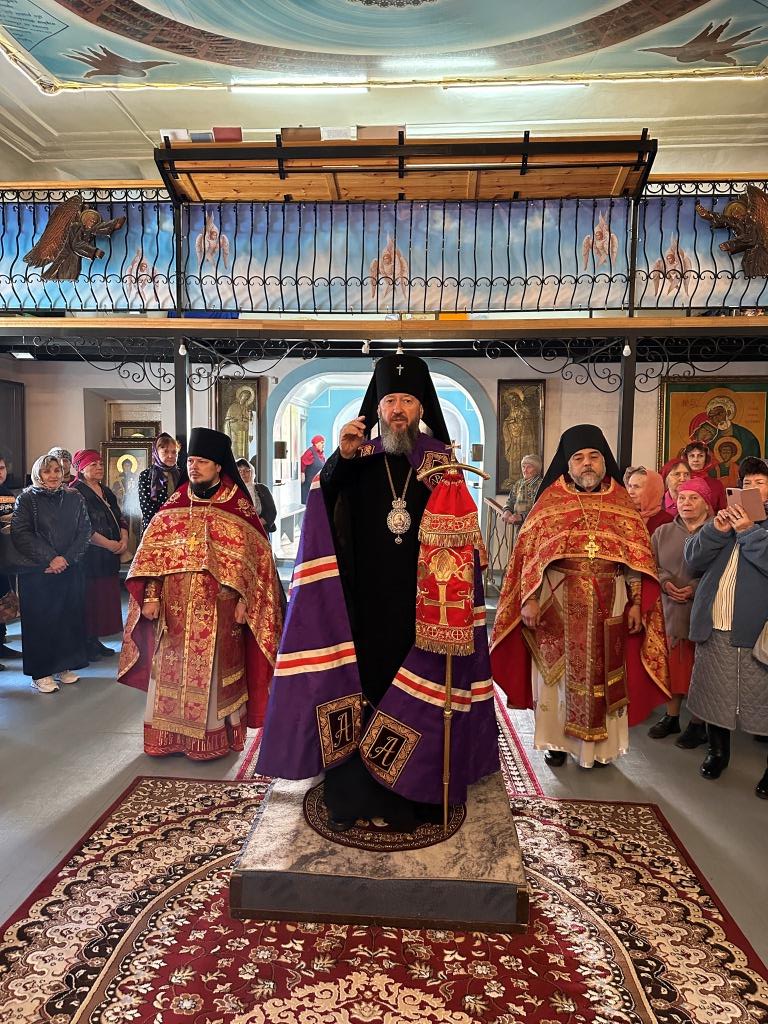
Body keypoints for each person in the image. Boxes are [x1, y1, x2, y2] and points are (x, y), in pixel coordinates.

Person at [257, 354, 499, 831]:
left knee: (419, 694)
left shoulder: (441, 463)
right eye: (390, 401)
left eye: (407, 400)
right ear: (377, 407)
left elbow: (462, 531)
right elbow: (324, 503)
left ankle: (414, 794)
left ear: (421, 407)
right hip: (358, 603)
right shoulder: (357, 456)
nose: (398, 410)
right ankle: (352, 796)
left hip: (421, 608)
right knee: (360, 690)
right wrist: (339, 460)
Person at [490, 424, 670, 769]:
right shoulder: (550, 502)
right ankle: (556, 744)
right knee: (555, 676)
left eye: (594, 456)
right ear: (567, 463)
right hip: (557, 599)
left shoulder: (621, 503)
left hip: (611, 601)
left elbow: (636, 561)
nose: (587, 463)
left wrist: (636, 602)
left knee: (606, 673)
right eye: (578, 457)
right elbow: (529, 558)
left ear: (604, 461)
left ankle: (601, 750)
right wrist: (528, 599)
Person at [118, 427, 283, 760]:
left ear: (218, 465)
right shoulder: (176, 503)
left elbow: (257, 561)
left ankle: (210, 741)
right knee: (170, 670)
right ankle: (167, 739)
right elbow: (154, 557)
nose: (193, 467)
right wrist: (151, 596)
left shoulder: (238, 506)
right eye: (190, 461)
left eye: (202, 462)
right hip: (174, 608)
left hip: (220, 609)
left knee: (212, 673)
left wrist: (246, 601)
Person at [683, 456, 768, 798]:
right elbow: (692, 561)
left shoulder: (755, 526)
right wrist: (715, 530)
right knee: (714, 692)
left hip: (757, 632)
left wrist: (748, 530)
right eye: (747, 484)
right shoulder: (725, 520)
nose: (752, 489)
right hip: (715, 624)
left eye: (760, 483)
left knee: (763, 698)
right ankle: (717, 752)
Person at [10, 454, 91, 693]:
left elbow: (85, 530)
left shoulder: (74, 496)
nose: (53, 475)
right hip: (38, 571)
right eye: (47, 471)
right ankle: (41, 672)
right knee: (41, 623)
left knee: (67, 619)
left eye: (56, 470)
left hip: (69, 568)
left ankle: (63, 665)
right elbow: (21, 533)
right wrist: (51, 558)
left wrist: (66, 559)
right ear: (38, 474)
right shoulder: (26, 499)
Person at [647, 478, 712, 747]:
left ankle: (698, 724)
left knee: (701, 670)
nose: (686, 503)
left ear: (706, 503)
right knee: (673, 667)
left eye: (694, 498)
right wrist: (665, 582)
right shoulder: (662, 532)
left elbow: (722, 571)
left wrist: (694, 587)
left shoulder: (718, 531)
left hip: (704, 611)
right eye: (682, 498)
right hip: (670, 609)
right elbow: (650, 563)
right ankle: (672, 716)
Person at [70, 449, 128, 661]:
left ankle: (95, 639)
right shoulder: (75, 492)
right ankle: (85, 642)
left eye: (101, 464)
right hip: (89, 557)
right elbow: (82, 527)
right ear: (81, 468)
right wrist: (109, 544)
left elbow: (120, 516)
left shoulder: (106, 491)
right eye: (93, 464)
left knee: (103, 600)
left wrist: (124, 539)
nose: (99, 468)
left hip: (108, 557)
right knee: (89, 600)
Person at [138, 432, 180, 532]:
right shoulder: (146, 475)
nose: (170, 456)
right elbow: (146, 507)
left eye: (174, 452)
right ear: (156, 453)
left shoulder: (181, 474)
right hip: (154, 527)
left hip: (179, 526)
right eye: (165, 452)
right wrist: (165, 523)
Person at [0, 455, 19, 663]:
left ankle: (1, 643)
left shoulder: (6, 493)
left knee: (4, 599)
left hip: (4, 556)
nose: (0, 472)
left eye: (2, 468)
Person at [623, 465, 673, 535]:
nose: (630, 491)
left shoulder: (666, 521)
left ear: (651, 491)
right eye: (630, 486)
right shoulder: (623, 514)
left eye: (636, 487)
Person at [502, 454, 543, 537]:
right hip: (519, 527)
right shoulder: (519, 483)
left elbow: (541, 508)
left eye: (529, 467)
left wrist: (522, 517)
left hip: (535, 528)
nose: (525, 470)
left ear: (536, 469)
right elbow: (510, 500)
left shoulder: (541, 485)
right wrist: (507, 511)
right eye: (523, 467)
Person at [235, 459, 277, 535]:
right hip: (239, 533)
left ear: (252, 472)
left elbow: (271, 511)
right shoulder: (233, 491)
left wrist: (256, 524)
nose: (243, 473)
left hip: (260, 531)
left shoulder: (262, 489)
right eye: (239, 471)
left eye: (246, 470)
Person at [682, 440, 726, 510]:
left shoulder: (717, 484)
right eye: (692, 456)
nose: (696, 460)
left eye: (700, 456)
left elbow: (722, 511)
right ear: (686, 459)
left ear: (706, 459)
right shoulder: (681, 481)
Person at [300, 434, 326, 504]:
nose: (323, 445)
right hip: (308, 485)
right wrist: (302, 473)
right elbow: (302, 461)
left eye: (324, 443)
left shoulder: (321, 454)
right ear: (316, 443)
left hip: (316, 486)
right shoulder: (310, 452)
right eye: (322, 443)